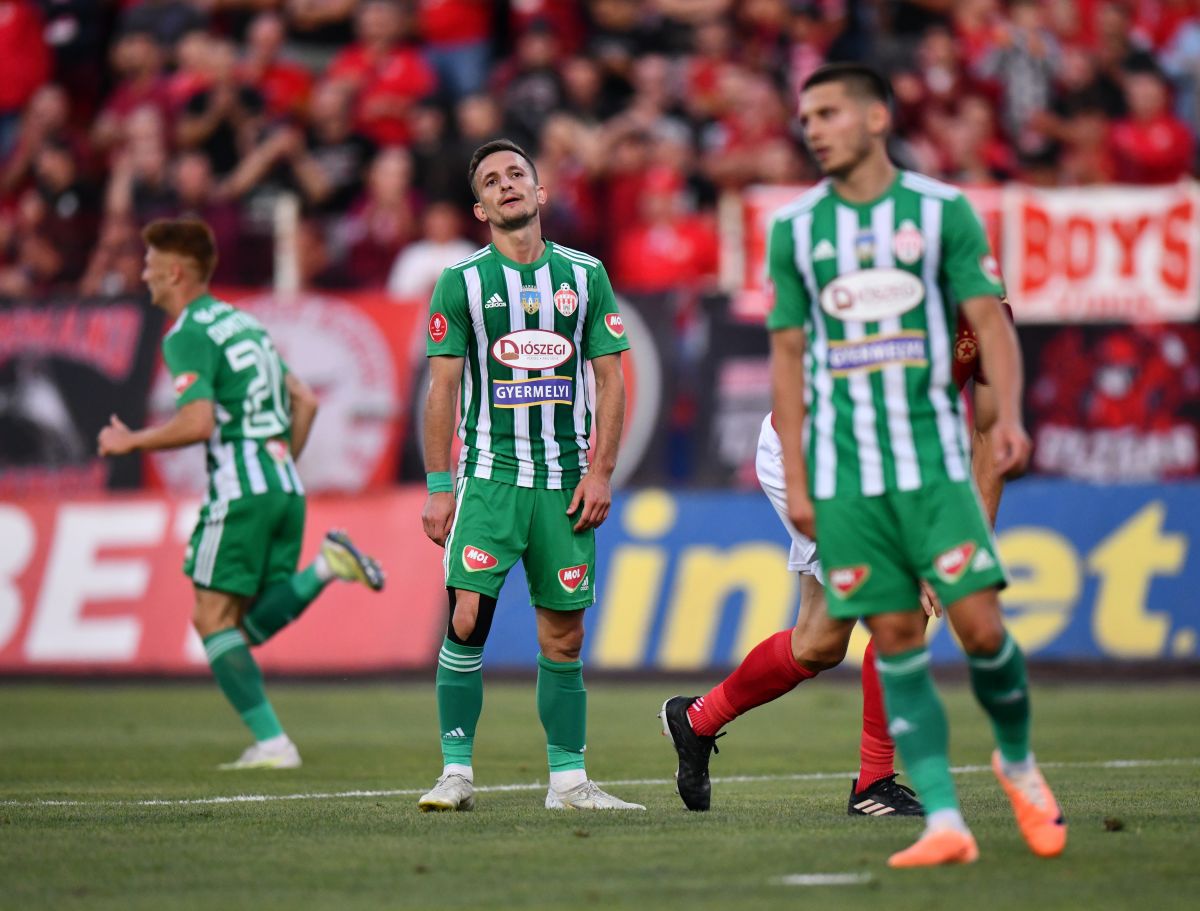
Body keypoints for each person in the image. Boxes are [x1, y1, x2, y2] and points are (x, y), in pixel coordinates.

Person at [704, 63, 1062, 867]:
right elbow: (790, 365)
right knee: (897, 616)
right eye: (805, 117)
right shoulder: (801, 234)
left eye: (828, 112)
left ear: (875, 118)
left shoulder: (946, 222)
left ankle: (695, 722)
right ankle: (898, 794)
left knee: (841, 637)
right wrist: (801, 478)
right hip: (832, 456)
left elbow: (989, 400)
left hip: (918, 460)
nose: (813, 128)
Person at [661, 298, 1014, 818]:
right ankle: (873, 784)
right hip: (813, 455)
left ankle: (696, 720)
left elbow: (988, 437)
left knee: (819, 644)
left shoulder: (988, 316)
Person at [97, 218, 385, 769]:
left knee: (211, 620)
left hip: (240, 488)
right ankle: (327, 567)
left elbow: (199, 422)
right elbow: (305, 400)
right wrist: (277, 468)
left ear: (175, 271)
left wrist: (131, 440)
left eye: (150, 264)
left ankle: (275, 745)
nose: (143, 273)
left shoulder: (186, 333)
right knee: (244, 623)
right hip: (282, 484)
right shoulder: (244, 325)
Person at [419, 139, 642, 812]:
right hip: (489, 477)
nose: (507, 184)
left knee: (564, 635)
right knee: (465, 617)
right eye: (492, 179)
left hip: (565, 481)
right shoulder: (461, 282)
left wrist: (601, 472)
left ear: (541, 193)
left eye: (517, 173)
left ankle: (568, 782)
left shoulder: (584, 274)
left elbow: (611, 378)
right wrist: (439, 485)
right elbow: (442, 391)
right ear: (480, 206)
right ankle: (455, 772)